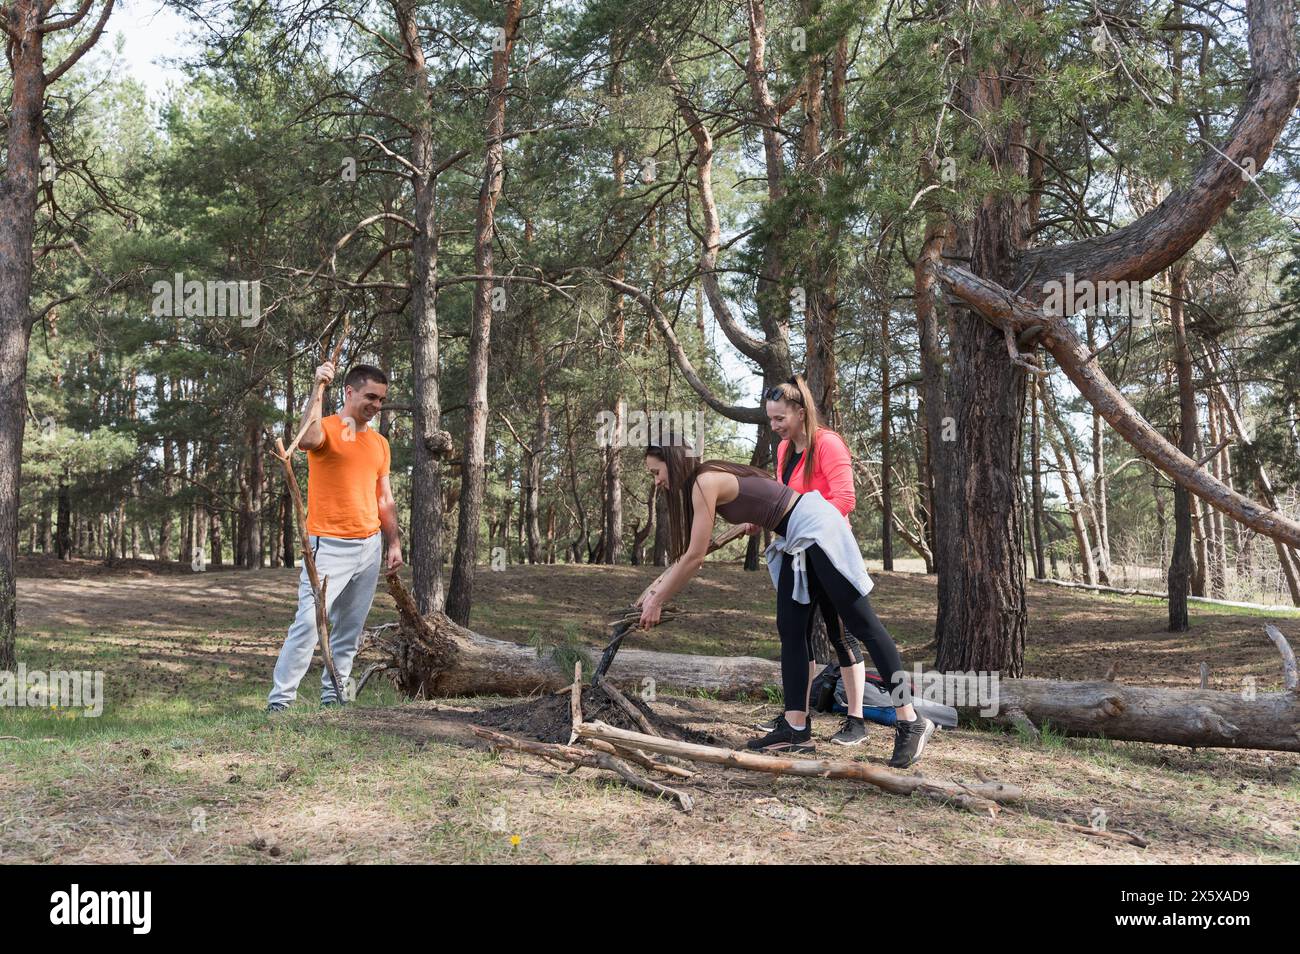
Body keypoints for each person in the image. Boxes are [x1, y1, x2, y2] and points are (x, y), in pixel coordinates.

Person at [639, 442, 935, 767]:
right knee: (791, 630)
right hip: (793, 537)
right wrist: (757, 517)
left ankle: (910, 719)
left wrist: (658, 600)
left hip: (815, 528)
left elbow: (694, 558)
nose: (656, 481)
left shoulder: (703, 481)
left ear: (673, 463)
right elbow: (767, 497)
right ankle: (795, 729)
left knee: (863, 624)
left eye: (656, 472)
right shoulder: (709, 478)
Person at [266, 362, 404, 711]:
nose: (376, 405)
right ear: (349, 392)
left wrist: (394, 542)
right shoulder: (326, 428)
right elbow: (306, 440)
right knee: (309, 625)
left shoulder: (379, 444)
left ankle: (335, 698)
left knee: (349, 632)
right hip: (327, 546)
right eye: (370, 396)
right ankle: (280, 702)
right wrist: (317, 387)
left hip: (369, 547)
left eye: (382, 399)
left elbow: (384, 497)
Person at [744, 375, 861, 741]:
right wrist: (759, 517)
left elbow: (845, 499)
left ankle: (856, 721)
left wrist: (812, 529)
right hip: (797, 556)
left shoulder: (828, 445)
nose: (774, 425)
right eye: (770, 418)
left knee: (841, 635)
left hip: (830, 552)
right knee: (798, 634)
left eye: (780, 418)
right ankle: (797, 715)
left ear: (800, 411)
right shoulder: (783, 451)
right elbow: (781, 500)